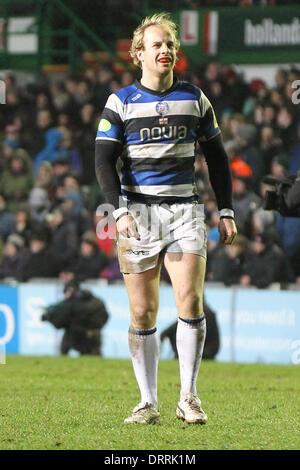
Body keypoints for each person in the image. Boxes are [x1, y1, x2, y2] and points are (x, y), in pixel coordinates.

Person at [95, 13, 237, 425]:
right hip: (137, 213)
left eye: (170, 44)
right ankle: (147, 402)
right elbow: (104, 162)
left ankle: (188, 398)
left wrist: (225, 210)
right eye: (156, 44)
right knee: (142, 313)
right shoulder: (120, 102)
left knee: (190, 301)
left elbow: (218, 158)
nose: (165, 50)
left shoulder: (194, 98)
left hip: (185, 212)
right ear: (138, 53)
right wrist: (118, 210)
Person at [41, 279, 109, 355]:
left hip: (75, 335)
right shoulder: (96, 300)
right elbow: (105, 316)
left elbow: (61, 321)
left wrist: (49, 318)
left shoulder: (70, 304)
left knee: (64, 352)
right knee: (93, 357)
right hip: (92, 334)